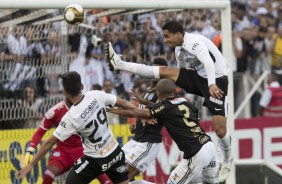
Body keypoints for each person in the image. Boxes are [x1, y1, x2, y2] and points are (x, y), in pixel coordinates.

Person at [105, 20, 232, 182]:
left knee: (220, 130)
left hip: (217, 78)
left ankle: (227, 160)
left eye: (167, 36)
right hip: (199, 77)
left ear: (178, 34)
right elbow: (182, 71)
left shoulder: (193, 42)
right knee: (164, 72)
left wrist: (212, 84)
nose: (165, 40)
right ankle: (120, 63)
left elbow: (208, 62)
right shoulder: (179, 50)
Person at [17, 71, 139, 184]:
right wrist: (144, 115)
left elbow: (50, 142)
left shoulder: (71, 117)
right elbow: (123, 103)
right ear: (82, 86)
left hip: (95, 160)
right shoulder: (96, 94)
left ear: (65, 92)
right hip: (115, 152)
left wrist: (31, 164)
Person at [108, 79, 220, 184]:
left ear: (158, 92)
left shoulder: (165, 107)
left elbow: (136, 112)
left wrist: (110, 110)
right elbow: (167, 108)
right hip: (209, 146)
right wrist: (144, 102)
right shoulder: (184, 101)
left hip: (196, 153)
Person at [20, 98, 112, 184]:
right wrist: (30, 149)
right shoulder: (55, 111)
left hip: (83, 151)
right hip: (63, 152)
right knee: (49, 173)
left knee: (103, 176)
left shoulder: (87, 106)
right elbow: (40, 132)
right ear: (66, 92)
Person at [123, 57, 167, 181]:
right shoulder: (148, 89)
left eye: (157, 69)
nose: (154, 71)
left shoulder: (162, 91)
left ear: (163, 72)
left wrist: (143, 102)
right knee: (116, 171)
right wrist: (137, 126)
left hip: (149, 141)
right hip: (137, 139)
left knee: (124, 179)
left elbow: (163, 109)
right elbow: (143, 112)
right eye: (152, 68)